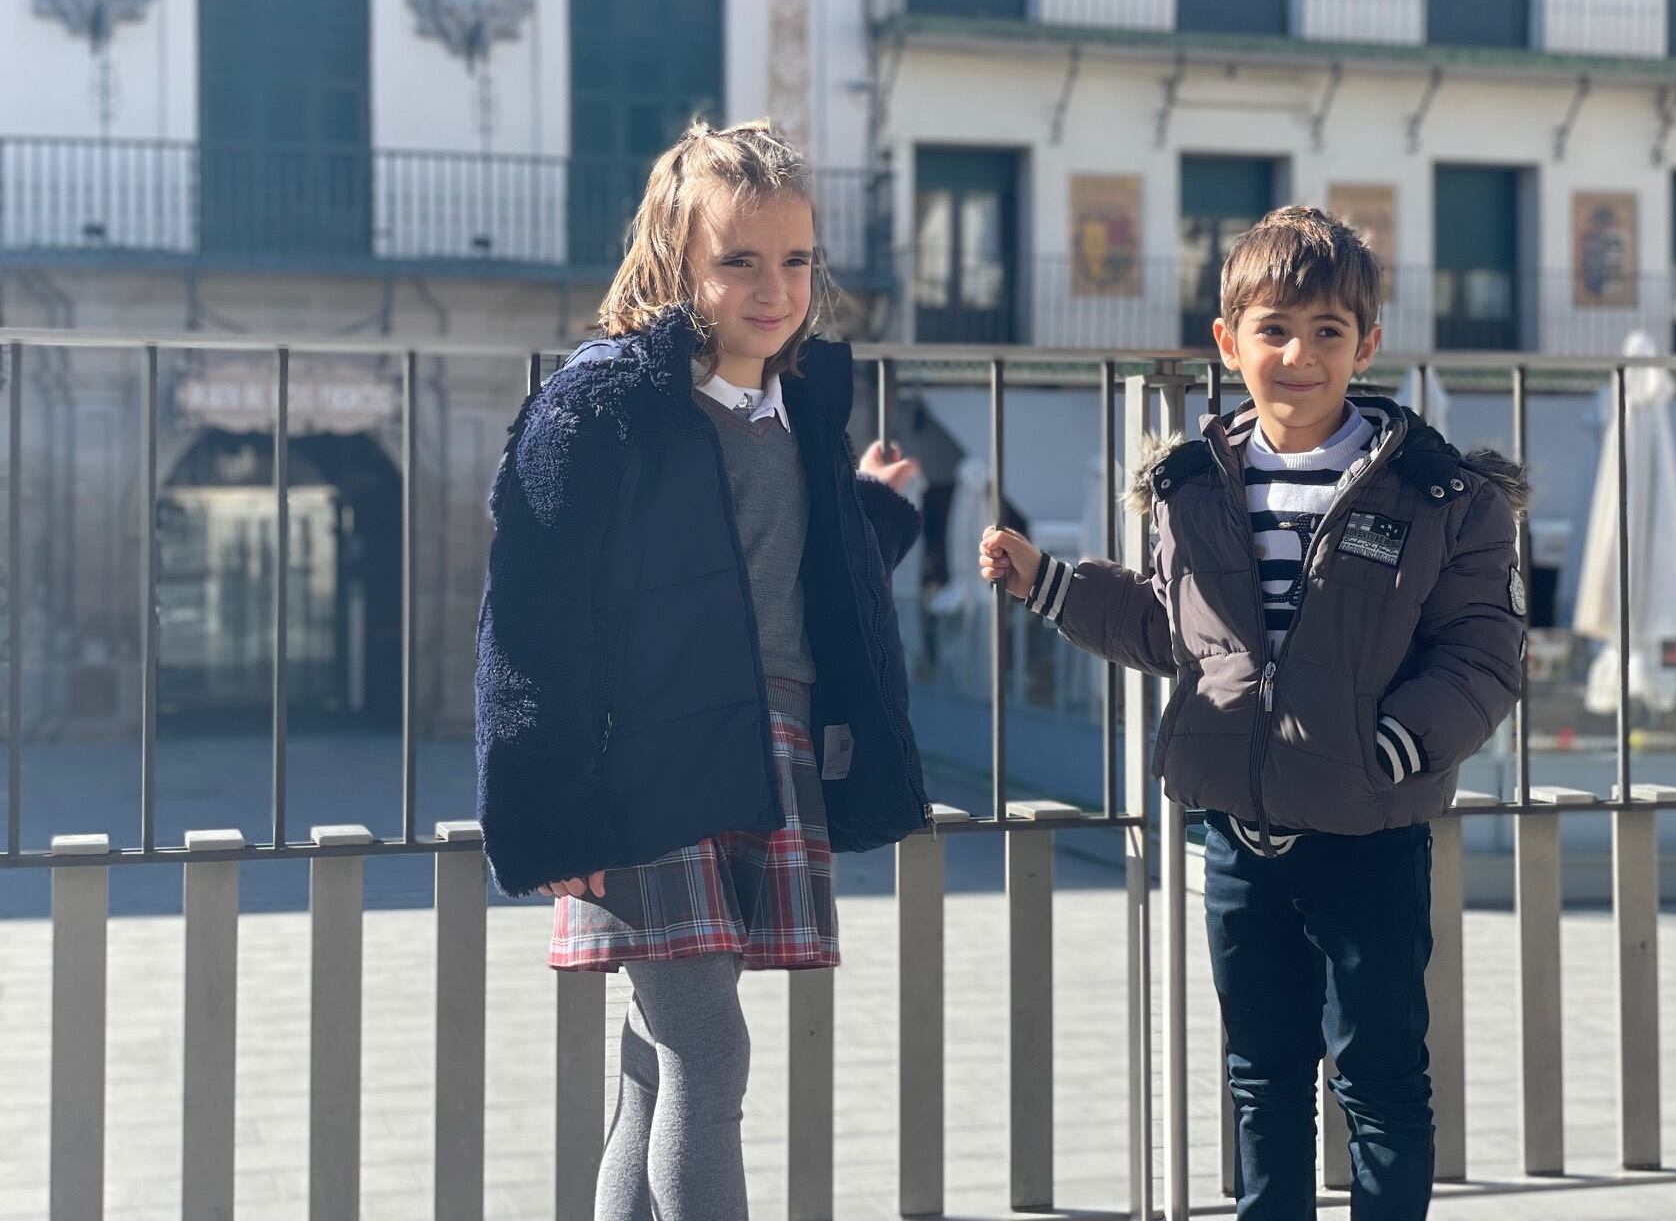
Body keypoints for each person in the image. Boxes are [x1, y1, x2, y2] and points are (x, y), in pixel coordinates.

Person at [980, 206, 1528, 1220]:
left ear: (1367, 344)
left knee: (1379, 1082)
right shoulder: (1194, 486)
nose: (1300, 355)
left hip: (1372, 830)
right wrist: (1049, 584)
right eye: (1274, 330)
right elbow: (1171, 629)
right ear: (1229, 345)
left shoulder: (1442, 493)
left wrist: (1389, 749)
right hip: (1241, 837)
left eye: (1328, 332)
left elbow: (1485, 655)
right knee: (1261, 1076)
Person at [476, 119, 928, 1220]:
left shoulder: (798, 403)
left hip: (762, 746)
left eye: (796, 260)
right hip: (649, 764)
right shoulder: (599, 405)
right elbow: (529, 617)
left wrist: (873, 510)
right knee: (708, 1058)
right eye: (739, 260)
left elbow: (773, 567)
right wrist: (548, 812)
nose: (774, 289)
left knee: (657, 1063)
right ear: (676, 262)